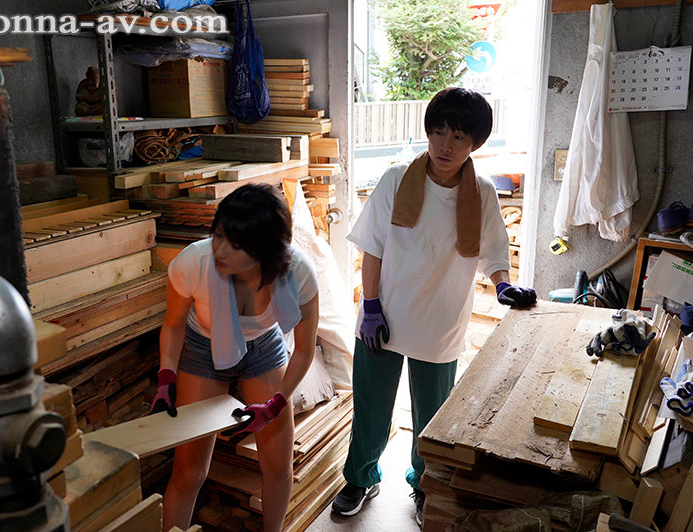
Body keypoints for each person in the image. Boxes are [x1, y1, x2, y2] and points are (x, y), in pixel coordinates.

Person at [331, 87, 537, 526]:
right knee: (371, 407)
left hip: (440, 322)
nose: (445, 145)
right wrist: (370, 304)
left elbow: (494, 253)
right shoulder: (395, 179)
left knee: (432, 416)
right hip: (383, 316)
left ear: (475, 143)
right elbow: (372, 247)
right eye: (439, 131)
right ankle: (361, 478)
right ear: (427, 131)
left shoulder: (482, 192)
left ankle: (425, 486)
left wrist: (503, 286)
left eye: (459, 137)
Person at [150, 183, 320, 532]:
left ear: (265, 250)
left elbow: (304, 349)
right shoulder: (193, 263)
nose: (219, 249)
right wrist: (167, 376)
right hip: (202, 346)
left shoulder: (299, 273)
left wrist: (276, 403)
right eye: (217, 235)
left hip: (264, 347)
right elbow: (174, 324)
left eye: (235, 244)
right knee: (190, 471)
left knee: (278, 466)